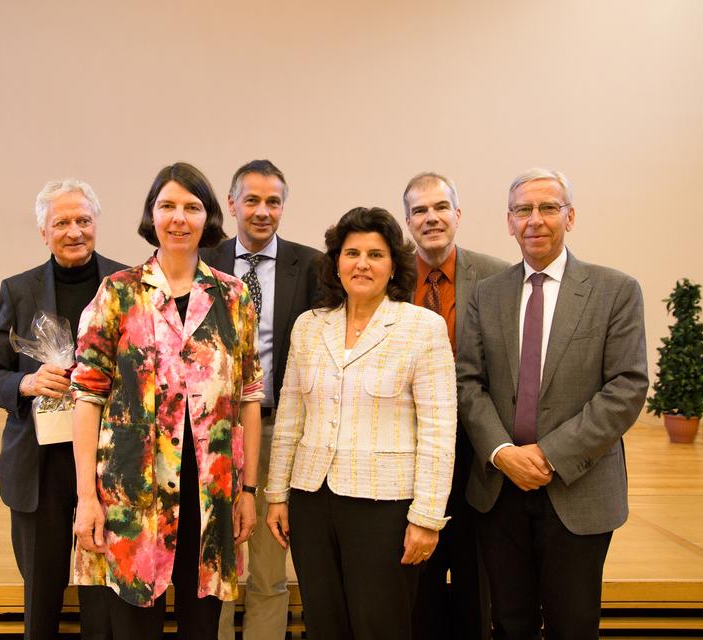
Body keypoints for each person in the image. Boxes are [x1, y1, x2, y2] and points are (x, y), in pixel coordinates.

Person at [70, 162, 263, 639]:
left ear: (209, 218)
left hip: (210, 490)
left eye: (192, 207)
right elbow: (87, 398)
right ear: (151, 216)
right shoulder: (119, 292)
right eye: (168, 206)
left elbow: (249, 399)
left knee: (202, 626)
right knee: (135, 623)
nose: (179, 218)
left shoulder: (233, 296)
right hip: (131, 491)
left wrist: (248, 490)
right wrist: (85, 499)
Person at [457, 168, 649, 639]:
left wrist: (547, 455)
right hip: (499, 492)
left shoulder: (615, 290)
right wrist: (502, 453)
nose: (535, 220)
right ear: (509, 222)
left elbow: (627, 385)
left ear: (571, 216)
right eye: (524, 210)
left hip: (578, 489)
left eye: (548, 208)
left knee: (574, 625)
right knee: (510, 623)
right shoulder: (487, 294)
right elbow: (468, 382)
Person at [266, 207, 457, 639]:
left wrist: (427, 517)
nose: (362, 263)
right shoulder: (310, 326)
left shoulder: (421, 327)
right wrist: (277, 494)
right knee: (324, 623)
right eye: (352, 252)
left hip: (385, 507)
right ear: (336, 262)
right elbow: (292, 412)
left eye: (376, 254)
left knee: (380, 626)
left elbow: (439, 428)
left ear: (394, 266)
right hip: (312, 501)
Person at [0, 178, 126, 640]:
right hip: (37, 470)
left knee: (104, 605)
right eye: (62, 222)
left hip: (109, 468)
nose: (74, 231)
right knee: (40, 604)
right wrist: (28, 382)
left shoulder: (127, 284)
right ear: (44, 231)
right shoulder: (18, 290)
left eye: (83, 220)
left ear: (96, 223)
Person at [201, 159, 321, 640]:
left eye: (273, 201)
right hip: (210, 432)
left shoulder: (311, 266)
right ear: (231, 204)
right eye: (251, 200)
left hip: (278, 429)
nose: (262, 211)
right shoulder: (202, 259)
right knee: (215, 564)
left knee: (270, 566)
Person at [403, 172, 508, 640]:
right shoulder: (389, 274)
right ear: (408, 221)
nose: (432, 218)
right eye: (420, 210)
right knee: (416, 581)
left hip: (475, 451)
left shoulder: (495, 277)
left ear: (458, 215)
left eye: (441, 207)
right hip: (408, 451)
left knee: (474, 578)